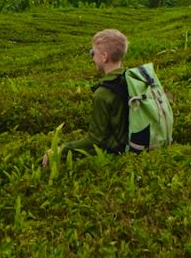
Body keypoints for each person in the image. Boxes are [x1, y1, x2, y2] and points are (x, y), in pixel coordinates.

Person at [42, 28, 130, 166]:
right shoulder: (131, 79)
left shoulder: (103, 94)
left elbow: (95, 141)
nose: (92, 57)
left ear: (104, 57)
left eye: (92, 53)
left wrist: (60, 150)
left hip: (118, 156)